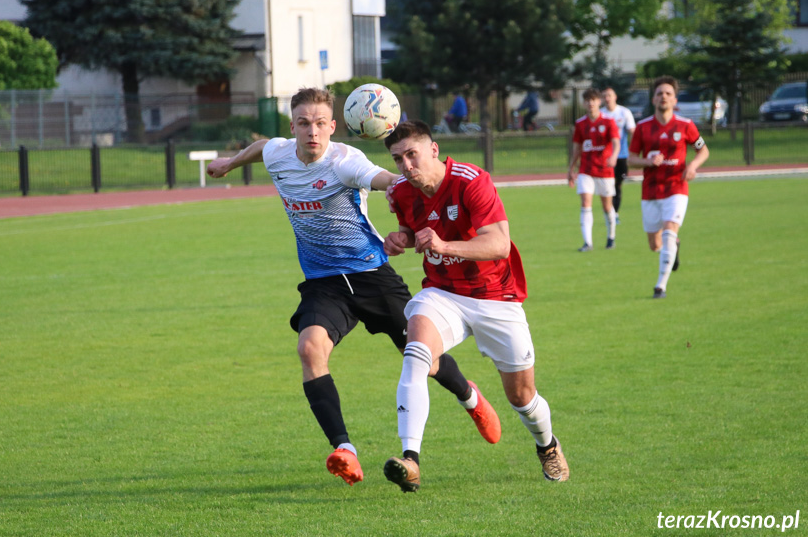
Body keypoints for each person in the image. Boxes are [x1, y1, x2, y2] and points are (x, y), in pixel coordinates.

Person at [205, 88, 500, 486]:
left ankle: (470, 397)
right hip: (323, 284)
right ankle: (345, 450)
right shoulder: (278, 152)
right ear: (293, 127)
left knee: (423, 358)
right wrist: (229, 162)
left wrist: (411, 178)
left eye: (320, 124)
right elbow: (261, 147)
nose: (313, 132)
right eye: (304, 124)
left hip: (371, 276)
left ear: (333, 127)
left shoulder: (346, 161)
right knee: (309, 349)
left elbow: (387, 180)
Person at [380, 120, 569, 493]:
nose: (405, 166)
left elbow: (498, 244)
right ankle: (411, 460)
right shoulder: (402, 192)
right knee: (415, 353)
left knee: (522, 397)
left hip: (495, 296)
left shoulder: (471, 180)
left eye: (412, 155)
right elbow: (413, 228)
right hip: (442, 293)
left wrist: (446, 246)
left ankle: (547, 446)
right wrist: (400, 238)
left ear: (433, 150)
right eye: (398, 159)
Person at [628, 76, 710, 299]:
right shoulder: (643, 128)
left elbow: (703, 150)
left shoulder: (686, 125)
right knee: (655, 244)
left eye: (667, 94)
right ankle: (675, 245)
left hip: (677, 187)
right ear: (653, 99)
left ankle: (660, 286)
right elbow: (631, 159)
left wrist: (692, 165)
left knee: (669, 230)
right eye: (659, 94)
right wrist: (647, 162)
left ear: (675, 100)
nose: (663, 97)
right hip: (651, 191)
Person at [568, 88, 621, 251]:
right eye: (587, 100)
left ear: (599, 102)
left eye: (593, 100)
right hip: (586, 170)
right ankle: (587, 243)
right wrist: (571, 169)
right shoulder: (580, 124)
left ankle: (611, 238)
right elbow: (577, 148)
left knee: (606, 206)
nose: (590, 103)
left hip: (605, 170)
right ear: (584, 103)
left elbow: (616, 142)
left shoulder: (608, 121)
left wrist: (614, 156)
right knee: (585, 203)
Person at [601, 87, 636, 224]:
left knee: (618, 185)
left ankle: (614, 212)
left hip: (622, 156)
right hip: (606, 157)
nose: (607, 98)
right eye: (604, 96)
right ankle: (611, 214)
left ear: (615, 97)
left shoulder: (624, 112)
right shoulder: (601, 114)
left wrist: (635, 149)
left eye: (609, 95)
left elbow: (633, 132)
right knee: (608, 186)